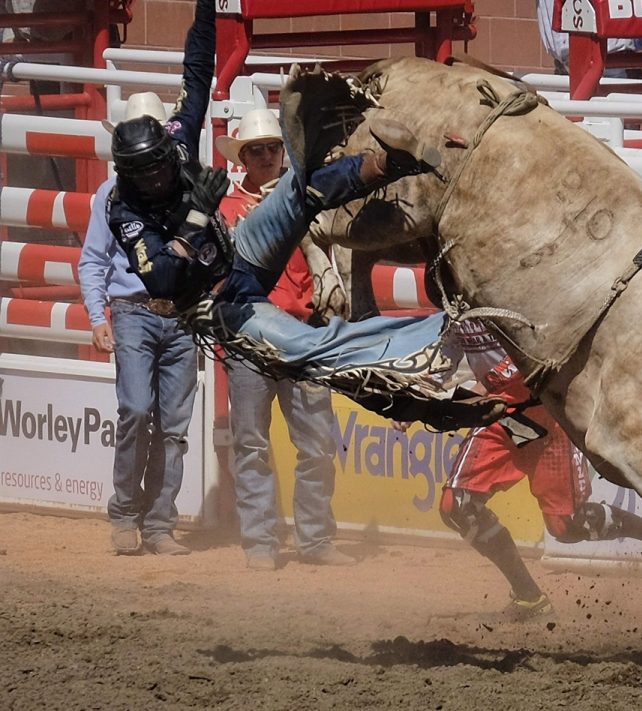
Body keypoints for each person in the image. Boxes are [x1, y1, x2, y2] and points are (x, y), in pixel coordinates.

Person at [104, 3, 504, 433]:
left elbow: (197, 70)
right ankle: (427, 372)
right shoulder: (124, 210)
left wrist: (206, 7)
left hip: (238, 253)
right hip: (218, 305)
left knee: (300, 191)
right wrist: (195, 218)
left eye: (161, 167)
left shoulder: (177, 141)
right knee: (313, 346)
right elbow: (163, 280)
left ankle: (383, 164)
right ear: (129, 175)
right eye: (147, 175)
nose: (158, 178)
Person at [431, 320, 642, 621]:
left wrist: (480, 390)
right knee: (458, 505)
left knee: (564, 526)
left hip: (548, 413)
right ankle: (529, 599)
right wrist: (417, 394)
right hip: (501, 414)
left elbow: (544, 342)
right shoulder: (451, 295)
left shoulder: (509, 284)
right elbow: (446, 351)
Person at [215, 108, 348, 570]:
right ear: (244, 158)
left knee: (315, 444)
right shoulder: (228, 210)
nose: (268, 156)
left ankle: (308, 540)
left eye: (274, 147)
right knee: (252, 444)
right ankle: (262, 541)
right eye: (258, 150)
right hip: (252, 338)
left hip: (299, 334)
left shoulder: (303, 200)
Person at [79, 89, 198, 556]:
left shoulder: (181, 188)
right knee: (137, 409)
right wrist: (97, 316)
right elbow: (93, 260)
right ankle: (131, 514)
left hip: (176, 314)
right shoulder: (112, 196)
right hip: (134, 311)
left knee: (170, 424)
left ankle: (155, 523)